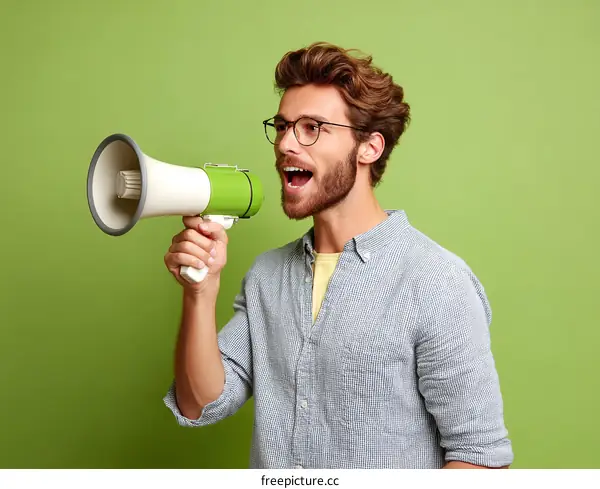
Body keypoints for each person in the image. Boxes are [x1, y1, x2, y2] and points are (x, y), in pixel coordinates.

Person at [162, 42, 514, 469]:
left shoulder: (436, 282)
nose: (286, 144)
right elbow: (200, 403)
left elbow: (479, 458)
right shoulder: (266, 276)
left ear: (369, 147)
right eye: (283, 125)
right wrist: (200, 291)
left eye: (312, 127)